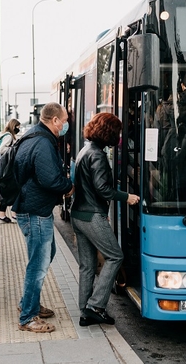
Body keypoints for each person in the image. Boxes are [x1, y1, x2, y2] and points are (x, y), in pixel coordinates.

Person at [71, 113, 139, 326]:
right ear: (109, 132)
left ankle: (85, 312)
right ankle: (96, 305)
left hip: (78, 214)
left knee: (87, 265)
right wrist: (127, 197)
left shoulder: (85, 149)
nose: (119, 136)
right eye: (117, 132)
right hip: (92, 215)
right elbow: (103, 189)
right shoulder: (98, 155)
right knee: (115, 256)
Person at [13, 103, 73, 333]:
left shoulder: (35, 135)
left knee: (46, 255)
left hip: (34, 207)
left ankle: (29, 302)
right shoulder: (43, 142)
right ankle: (28, 316)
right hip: (35, 211)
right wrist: (68, 186)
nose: (66, 124)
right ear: (55, 120)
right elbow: (50, 179)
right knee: (37, 266)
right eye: (65, 119)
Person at [0, 119, 20, 223]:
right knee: (13, 190)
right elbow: (1, 150)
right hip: (8, 168)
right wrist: (12, 149)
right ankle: (12, 215)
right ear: (13, 126)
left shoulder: (3, 134)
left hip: (5, 168)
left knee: (7, 191)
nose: (18, 129)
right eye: (17, 127)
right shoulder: (9, 136)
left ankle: (6, 215)